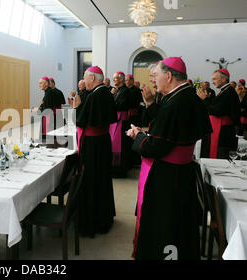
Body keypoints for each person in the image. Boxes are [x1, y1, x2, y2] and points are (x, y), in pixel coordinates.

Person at [126, 57, 212, 260]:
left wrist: (138, 136)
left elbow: (156, 146)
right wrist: (149, 104)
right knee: (180, 222)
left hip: (167, 176)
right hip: (181, 172)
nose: (153, 80)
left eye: (155, 75)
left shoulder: (176, 102)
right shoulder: (186, 95)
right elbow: (169, 129)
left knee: (165, 223)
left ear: (169, 76)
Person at [72, 66, 117, 237]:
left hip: (93, 145)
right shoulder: (105, 92)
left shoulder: (95, 95)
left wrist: (76, 107)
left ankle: (92, 222)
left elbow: (81, 120)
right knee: (102, 179)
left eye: (85, 77)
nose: (84, 80)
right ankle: (104, 218)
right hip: (103, 142)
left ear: (92, 78)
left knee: (91, 179)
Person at [197, 69, 241, 159]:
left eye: (214, 79)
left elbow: (217, 111)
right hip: (220, 129)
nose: (212, 82)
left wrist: (205, 99)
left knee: (220, 158)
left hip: (222, 132)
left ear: (224, 79)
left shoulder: (229, 92)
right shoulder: (225, 91)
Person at [110, 72, 133, 178]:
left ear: (122, 79)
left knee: (120, 145)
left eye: (116, 78)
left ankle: (120, 170)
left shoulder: (126, 91)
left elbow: (120, 105)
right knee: (114, 143)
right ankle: (114, 168)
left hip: (122, 122)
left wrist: (111, 100)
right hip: (115, 120)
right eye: (113, 78)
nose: (114, 80)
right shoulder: (117, 90)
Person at [33, 77, 56, 141]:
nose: (39, 85)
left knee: (48, 137)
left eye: (40, 83)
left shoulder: (49, 93)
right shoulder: (48, 92)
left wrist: (38, 110)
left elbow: (47, 109)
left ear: (46, 84)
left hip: (49, 118)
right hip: (48, 117)